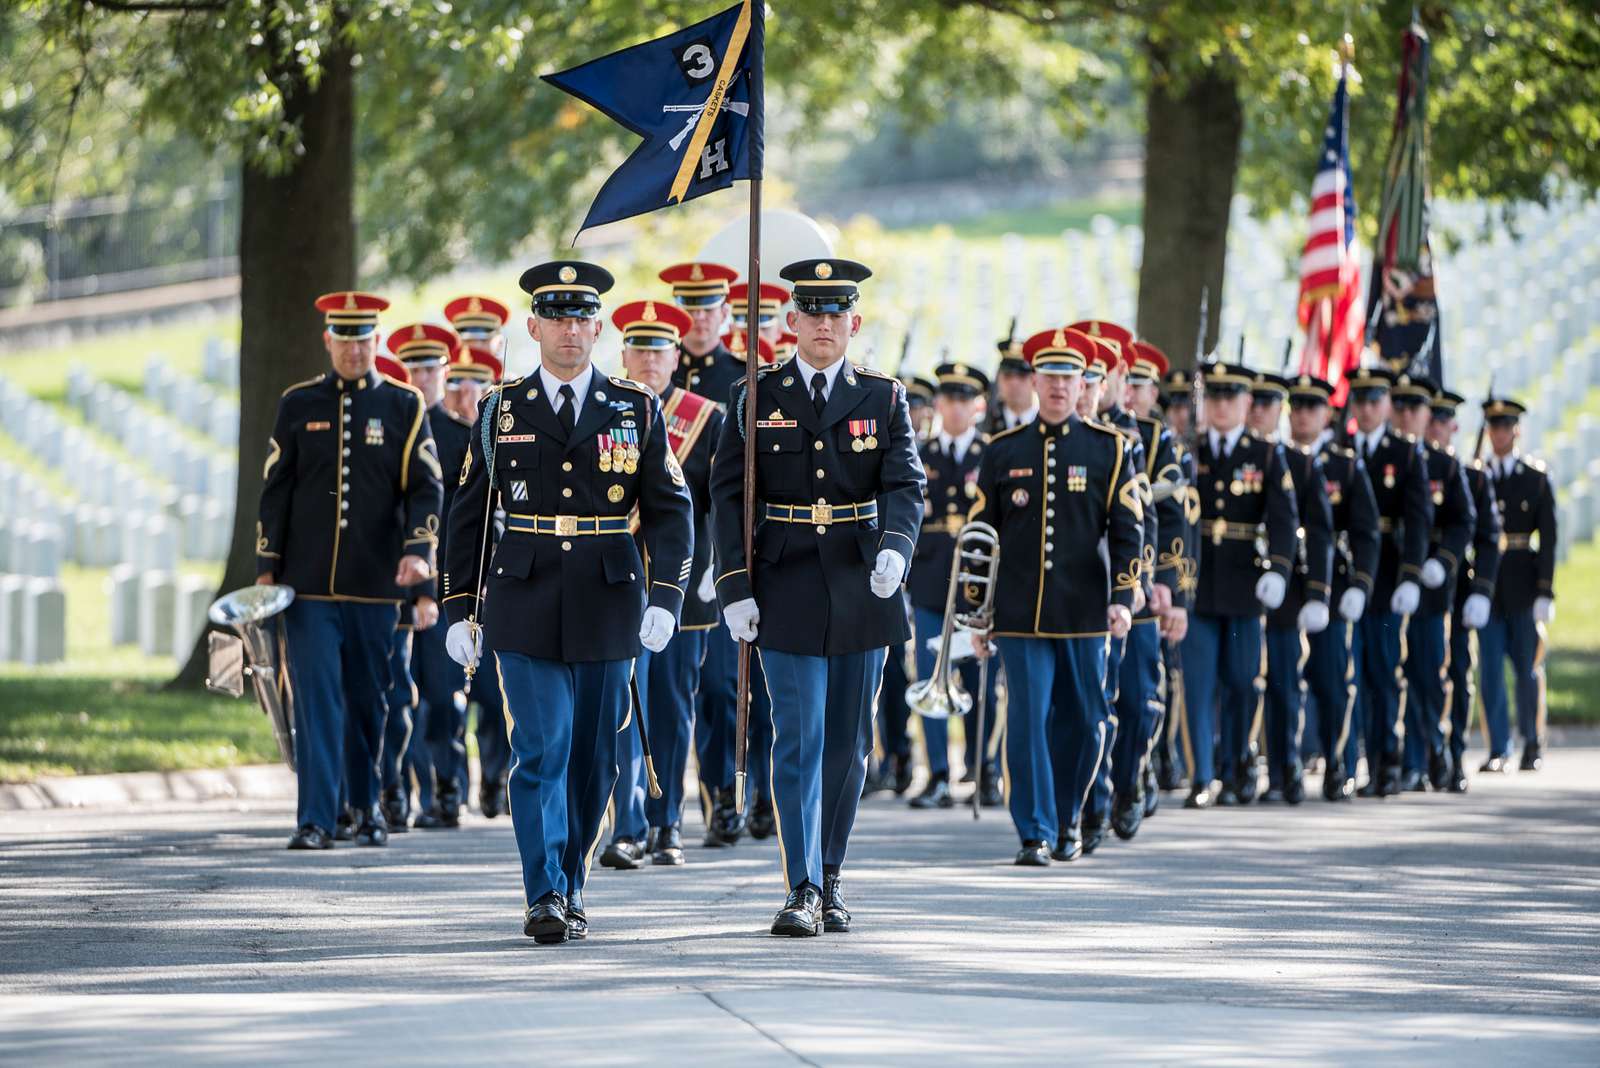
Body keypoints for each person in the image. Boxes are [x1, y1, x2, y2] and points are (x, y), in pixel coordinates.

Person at [441, 261, 693, 944]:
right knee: (542, 747)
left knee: (594, 762)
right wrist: (458, 605)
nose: (571, 331)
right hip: (523, 595)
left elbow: (670, 511)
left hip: (608, 599)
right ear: (533, 326)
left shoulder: (634, 406)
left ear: (599, 326)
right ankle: (544, 891)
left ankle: (573, 879)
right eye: (557, 317)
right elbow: (469, 513)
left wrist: (666, 596)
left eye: (582, 317)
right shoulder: (503, 408)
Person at [709, 256, 925, 936]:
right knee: (799, 737)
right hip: (787, 579)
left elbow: (906, 484)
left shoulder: (884, 397)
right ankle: (799, 886)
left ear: (853, 323)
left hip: (864, 580)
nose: (825, 324)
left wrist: (895, 546)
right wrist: (734, 585)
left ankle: (831, 875)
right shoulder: (756, 396)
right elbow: (727, 494)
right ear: (791, 320)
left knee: (849, 742)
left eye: (838, 314)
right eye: (813, 312)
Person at [258, 291, 443, 850]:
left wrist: (419, 558)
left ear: (376, 341)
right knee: (316, 701)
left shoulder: (404, 406)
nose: (355, 350)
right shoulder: (298, 404)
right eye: (345, 340)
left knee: (369, 701)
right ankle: (315, 817)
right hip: (308, 586)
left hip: (375, 585)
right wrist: (268, 565)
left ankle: (365, 806)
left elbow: (425, 487)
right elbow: (277, 490)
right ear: (328, 341)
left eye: (364, 340)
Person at [968, 327, 1143, 865]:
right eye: (1050, 377)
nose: (1060, 387)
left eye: (1069, 377)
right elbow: (981, 536)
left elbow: (1128, 529)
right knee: (1026, 721)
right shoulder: (1002, 451)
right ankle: (1035, 831)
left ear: (1081, 382)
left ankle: (1069, 816)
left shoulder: (1110, 449)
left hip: (1086, 612)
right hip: (1019, 614)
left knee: (1085, 721)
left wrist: (1122, 594)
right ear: (1036, 382)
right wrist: (977, 613)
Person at [599, 299, 726, 870]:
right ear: (623, 354)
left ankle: (666, 820)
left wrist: (715, 571)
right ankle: (624, 825)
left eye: (659, 350)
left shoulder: (705, 416)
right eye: (639, 349)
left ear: (676, 357)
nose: (649, 360)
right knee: (623, 705)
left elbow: (720, 504)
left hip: (678, 584)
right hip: (615, 580)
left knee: (671, 708)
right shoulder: (605, 409)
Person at [1181, 361, 1298, 809]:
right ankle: (1203, 776)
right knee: (1196, 684)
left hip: (1245, 588)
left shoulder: (1266, 454)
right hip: (1198, 584)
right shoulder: (1189, 450)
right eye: (1215, 397)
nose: (1222, 405)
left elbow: (1284, 522)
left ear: (1247, 402)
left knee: (1241, 683)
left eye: (1231, 397)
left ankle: (1234, 767)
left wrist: (1279, 570)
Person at [661, 260, 750, 848]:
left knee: (719, 687)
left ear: (725, 314)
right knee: (669, 687)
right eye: (688, 309)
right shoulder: (657, 376)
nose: (698, 319)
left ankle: (723, 796)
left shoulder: (745, 380)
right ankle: (664, 807)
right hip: (665, 555)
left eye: (709, 308)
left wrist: (729, 560)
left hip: (718, 557)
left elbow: (741, 486)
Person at [385, 322, 475, 830]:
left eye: (430, 369)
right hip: (393, 586)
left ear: (446, 372)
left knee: (442, 697)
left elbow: (471, 520)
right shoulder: (391, 430)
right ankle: (397, 790)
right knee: (398, 695)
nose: (421, 378)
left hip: (447, 591)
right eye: (413, 369)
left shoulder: (460, 438)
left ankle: (447, 788)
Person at [906, 361, 1001, 810]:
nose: (955, 407)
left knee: (983, 680)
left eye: (965, 400)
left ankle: (984, 769)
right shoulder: (919, 453)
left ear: (979, 406)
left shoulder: (991, 453)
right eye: (948, 398)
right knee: (931, 676)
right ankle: (939, 774)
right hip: (929, 582)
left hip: (979, 588)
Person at [1284, 374, 1380, 801]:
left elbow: (1364, 531)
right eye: (1297, 406)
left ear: (1327, 413)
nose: (1303, 413)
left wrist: (1360, 583)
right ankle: (1286, 767)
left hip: (1335, 586)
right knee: (1284, 679)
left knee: (1332, 679)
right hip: (1286, 586)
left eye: (1311, 406)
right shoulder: (1278, 458)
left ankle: (1338, 761)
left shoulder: (1344, 464)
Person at [1345, 367, 1433, 797]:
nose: (1365, 408)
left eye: (1374, 400)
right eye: (1359, 400)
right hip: (1347, 577)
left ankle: (1386, 761)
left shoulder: (1406, 453)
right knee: (1350, 675)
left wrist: (1411, 576)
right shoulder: (1341, 449)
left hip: (1385, 578)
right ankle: (1352, 762)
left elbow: (1417, 521)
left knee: (1382, 674)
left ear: (1386, 405)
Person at [443, 295, 515, 817]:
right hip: (459, 568)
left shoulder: (505, 417)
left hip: (504, 571)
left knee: (496, 693)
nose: (465, 389)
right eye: (456, 379)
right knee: (446, 693)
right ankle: (449, 787)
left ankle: (496, 777)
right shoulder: (435, 428)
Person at [1250, 371, 1333, 805]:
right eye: (1255, 403)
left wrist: (1318, 592)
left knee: (1285, 682)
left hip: (1288, 591)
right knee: (1251, 682)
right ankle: (1252, 765)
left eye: (1268, 404)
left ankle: (1288, 767)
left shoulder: (1299, 463)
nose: (1260, 411)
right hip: (1242, 588)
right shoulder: (1238, 457)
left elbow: (1319, 532)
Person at [1389, 375, 1475, 791]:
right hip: (1390, 581)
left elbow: (1465, 521)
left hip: (1433, 587)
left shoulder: (1446, 466)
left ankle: (1439, 753)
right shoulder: (1388, 458)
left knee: (1431, 673)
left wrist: (1443, 560)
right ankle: (1408, 759)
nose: (1407, 416)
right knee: (1394, 673)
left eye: (1415, 409)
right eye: (1400, 407)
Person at [1119, 339, 1188, 831]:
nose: (1130, 392)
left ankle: (1133, 775)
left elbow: (1172, 511)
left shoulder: (1155, 436)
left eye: (1137, 383)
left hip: (1141, 583)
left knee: (1142, 694)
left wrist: (1168, 583)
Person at [1477, 395, 1557, 773]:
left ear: (1516, 430)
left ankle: (1531, 740)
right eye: (1493, 426)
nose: (1498, 433)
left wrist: (1545, 590)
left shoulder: (1534, 478)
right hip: (1489, 587)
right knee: (1490, 669)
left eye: (1505, 426)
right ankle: (1498, 746)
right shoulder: (1479, 476)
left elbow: (1549, 538)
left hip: (1524, 585)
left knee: (1527, 668)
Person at [1427, 388, 1501, 792]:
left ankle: (1455, 753)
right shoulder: (1413, 467)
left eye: (1442, 420)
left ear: (1453, 426)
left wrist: (1482, 592)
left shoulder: (1472, 476)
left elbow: (1490, 538)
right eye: (1430, 419)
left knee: (1457, 671)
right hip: (1421, 588)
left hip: (1457, 590)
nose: (1435, 427)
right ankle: (1427, 753)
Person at [983, 334, 1037, 435]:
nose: (1014, 383)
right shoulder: (985, 426)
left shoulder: (1047, 422)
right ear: (998, 379)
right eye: (1007, 376)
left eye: (1022, 376)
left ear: (1034, 380)